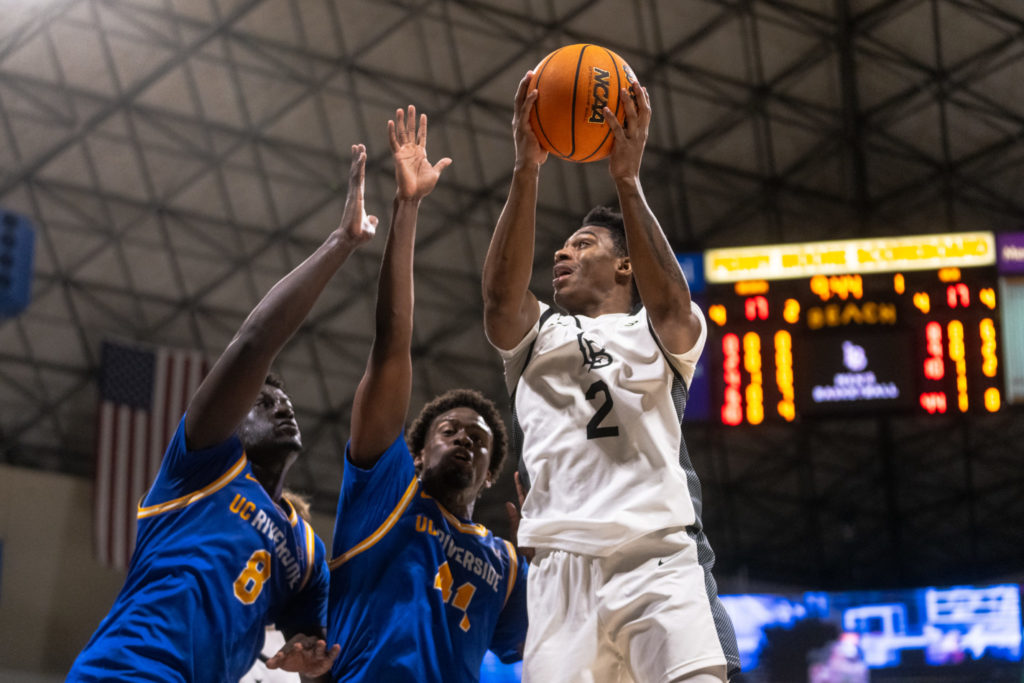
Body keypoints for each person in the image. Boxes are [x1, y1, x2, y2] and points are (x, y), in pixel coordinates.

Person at [67, 145, 378, 683]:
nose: (282, 408)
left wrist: (310, 659)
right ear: (232, 423)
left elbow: (314, 653)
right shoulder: (203, 463)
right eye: (263, 402)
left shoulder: (305, 553)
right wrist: (341, 242)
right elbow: (255, 343)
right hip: (127, 670)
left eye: (284, 402)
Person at [481, 72, 741, 682]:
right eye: (561, 248)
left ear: (625, 263)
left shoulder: (659, 331)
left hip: (657, 554)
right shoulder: (536, 333)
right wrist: (527, 168)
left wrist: (626, 179)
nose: (560, 254)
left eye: (582, 243)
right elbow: (498, 301)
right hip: (558, 565)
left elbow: (675, 307)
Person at [327, 106, 528, 682]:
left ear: (491, 474)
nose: (465, 438)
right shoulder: (383, 490)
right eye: (449, 430)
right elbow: (392, 344)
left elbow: (541, 645)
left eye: (479, 440)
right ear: (417, 452)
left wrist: (550, 562)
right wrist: (407, 206)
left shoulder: (506, 564)